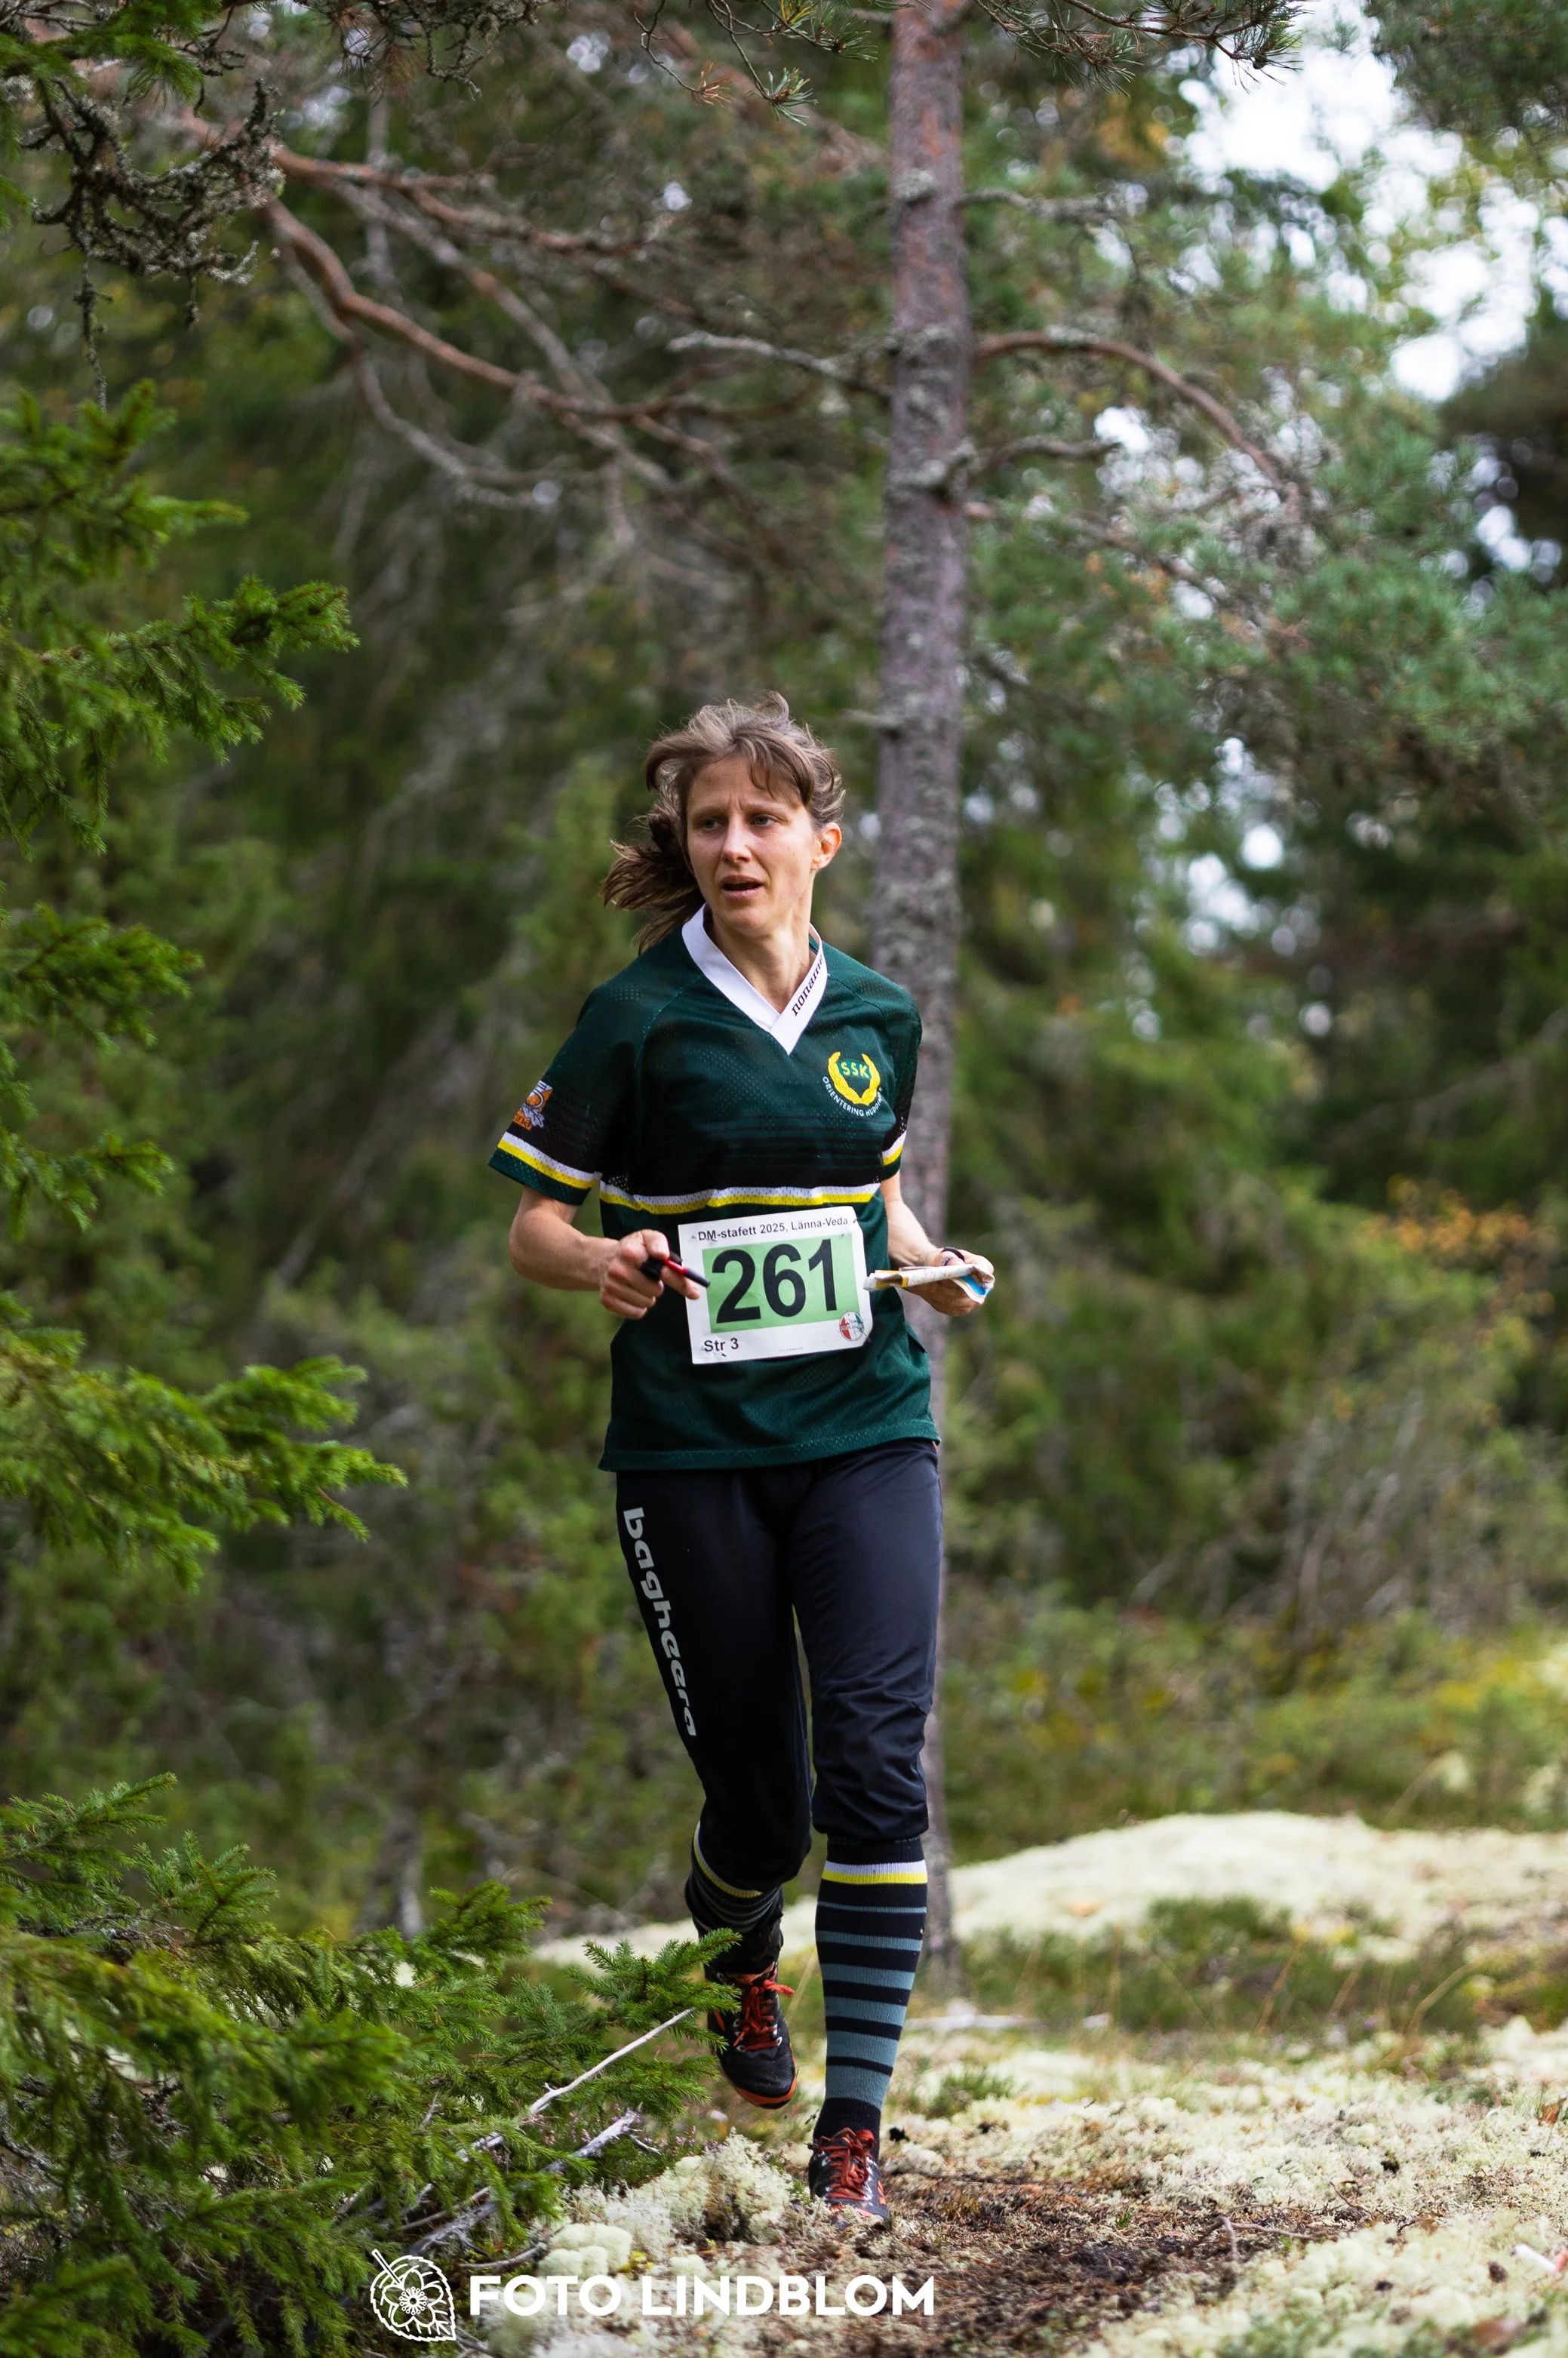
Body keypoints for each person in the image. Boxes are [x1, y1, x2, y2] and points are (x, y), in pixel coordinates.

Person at [490, 696, 991, 2225]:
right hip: (692, 1456)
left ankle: (855, 2131)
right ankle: (735, 1949)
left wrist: (930, 1261)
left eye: (763, 819)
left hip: (867, 1434)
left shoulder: (879, 1014)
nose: (734, 845)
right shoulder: (634, 1018)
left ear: (821, 840)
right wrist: (601, 1261)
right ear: (686, 842)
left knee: (876, 1770)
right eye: (709, 821)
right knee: (763, 1810)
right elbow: (531, 1224)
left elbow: (871, 1202)